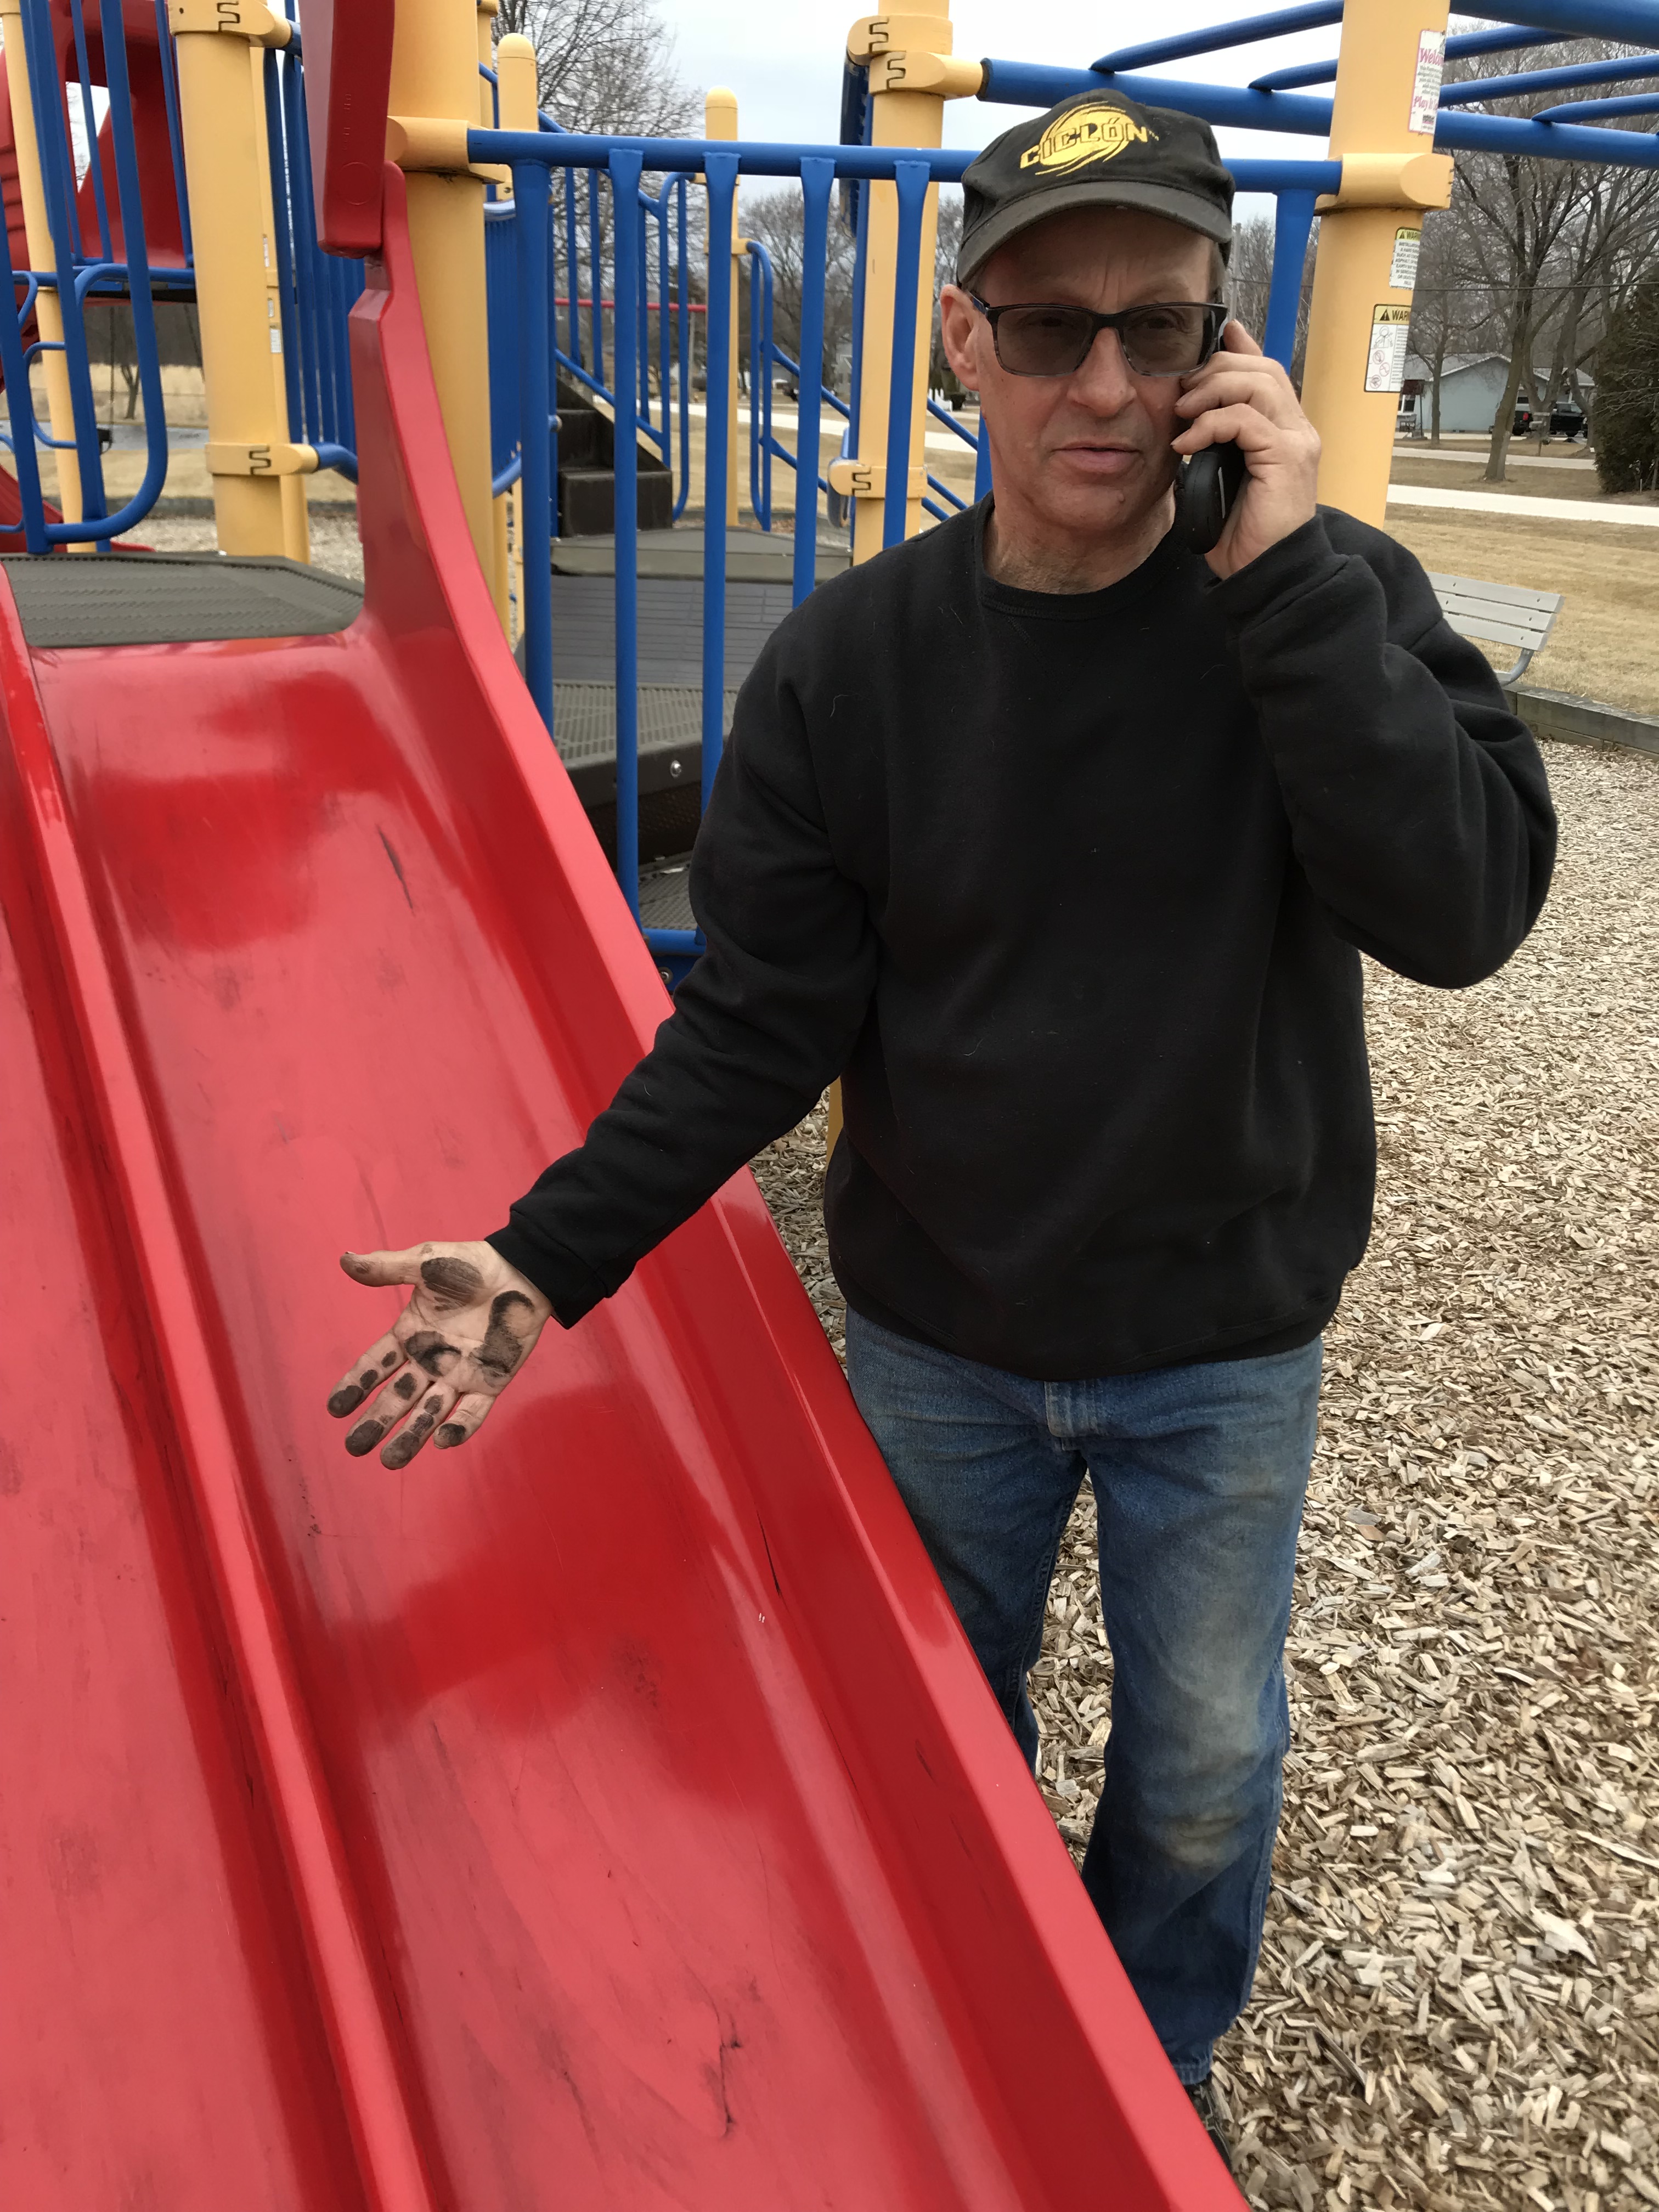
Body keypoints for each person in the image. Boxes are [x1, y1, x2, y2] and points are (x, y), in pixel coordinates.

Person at [325, 93, 1555, 2160]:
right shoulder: (850, 672)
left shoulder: (1324, 602)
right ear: (959, 343)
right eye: (1048, 323)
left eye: (1156, 329)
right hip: (942, 1340)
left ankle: (1144, 2074)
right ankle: (964, 2042)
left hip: (1218, 1339)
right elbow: (757, 1027)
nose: (1104, 380)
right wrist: (543, 1254)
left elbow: (1462, 913)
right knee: (935, 1731)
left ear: (1220, 351)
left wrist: (1286, 589)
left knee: (1194, 1761)